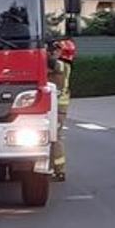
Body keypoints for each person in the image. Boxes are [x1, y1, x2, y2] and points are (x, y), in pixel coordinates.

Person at [49, 39, 75, 181]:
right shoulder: (64, 66)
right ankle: (54, 167)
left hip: (58, 108)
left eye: (57, 49)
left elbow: (48, 61)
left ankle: (59, 170)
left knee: (55, 138)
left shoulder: (62, 65)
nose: (54, 51)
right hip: (55, 107)